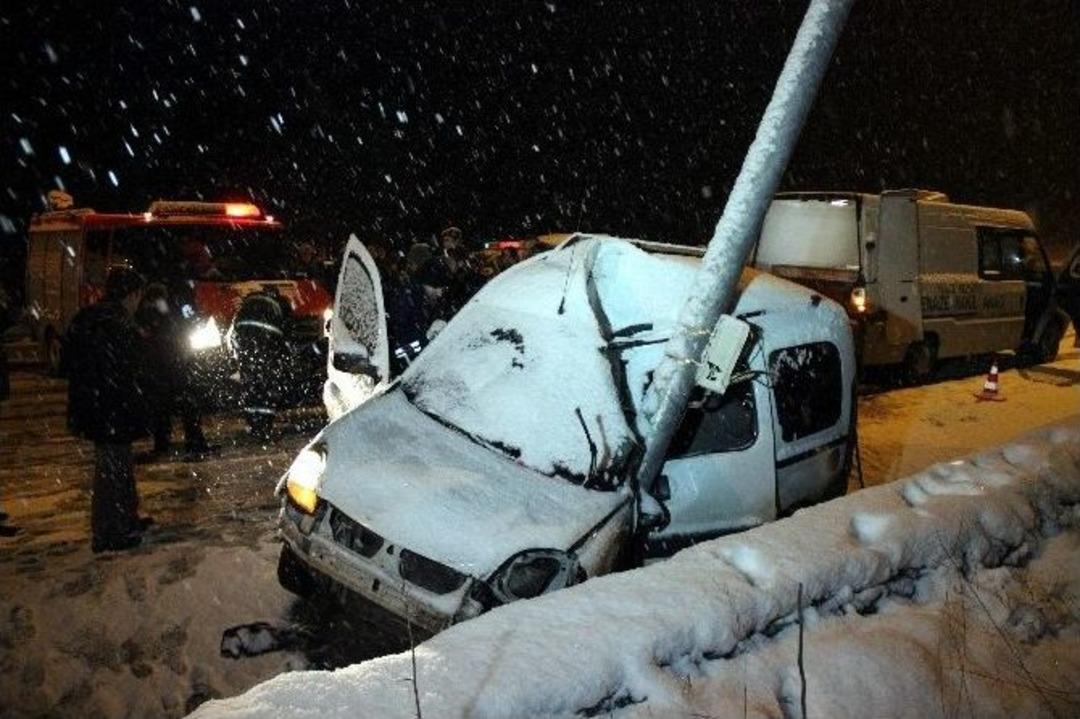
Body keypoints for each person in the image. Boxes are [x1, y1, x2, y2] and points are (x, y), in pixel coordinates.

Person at [63, 268, 152, 552]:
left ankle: (123, 520)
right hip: (112, 409)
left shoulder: (88, 317)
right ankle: (110, 531)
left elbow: (68, 363)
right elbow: (130, 370)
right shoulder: (119, 324)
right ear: (132, 294)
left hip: (94, 407)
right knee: (114, 470)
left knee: (115, 466)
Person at [135, 284, 210, 460]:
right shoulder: (173, 311)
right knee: (184, 406)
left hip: (164, 367)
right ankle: (194, 444)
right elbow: (189, 324)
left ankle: (165, 443)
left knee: (163, 409)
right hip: (175, 364)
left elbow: (145, 336)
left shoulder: (151, 313)